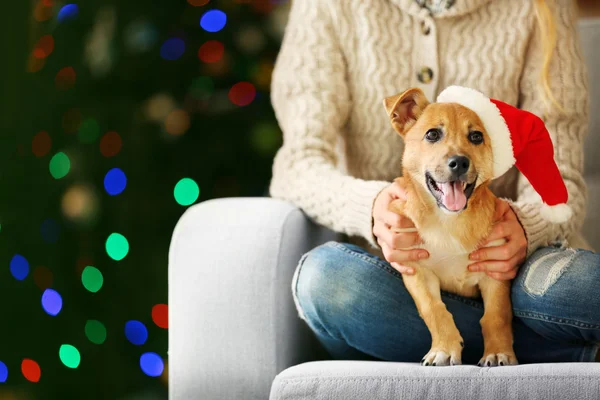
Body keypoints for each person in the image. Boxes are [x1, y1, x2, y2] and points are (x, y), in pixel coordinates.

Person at [269, 0, 599, 364]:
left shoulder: (541, 6)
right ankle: (560, 351)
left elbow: (558, 171)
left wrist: (527, 226)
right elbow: (297, 164)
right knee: (327, 281)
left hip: (514, 272)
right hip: (396, 281)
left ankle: (501, 342)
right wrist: (371, 208)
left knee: (579, 283)